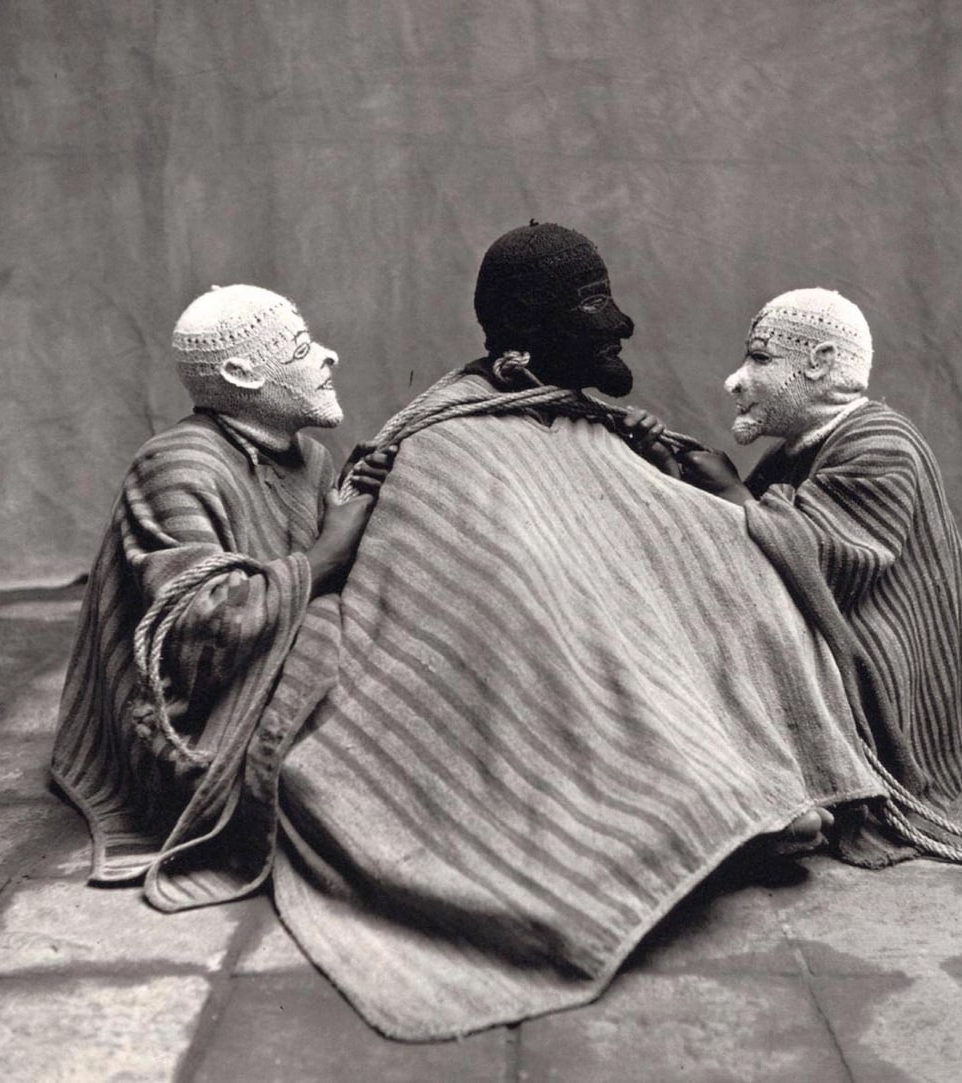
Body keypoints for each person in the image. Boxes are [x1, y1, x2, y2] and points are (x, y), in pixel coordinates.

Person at [263, 225, 891, 1040]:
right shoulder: (448, 440)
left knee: (715, 555)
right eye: (594, 303)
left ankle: (748, 785)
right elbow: (488, 588)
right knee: (557, 613)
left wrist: (720, 516)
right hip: (543, 688)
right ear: (528, 336)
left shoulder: (589, 421)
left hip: (641, 669)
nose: (621, 323)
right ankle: (694, 813)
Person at [51, 284, 395, 895]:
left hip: (271, 662)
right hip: (197, 715)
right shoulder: (175, 467)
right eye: (299, 345)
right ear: (240, 373)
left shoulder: (310, 458)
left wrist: (349, 501)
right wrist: (327, 553)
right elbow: (198, 630)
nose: (328, 355)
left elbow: (310, 567)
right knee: (340, 773)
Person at [678, 288, 962, 812]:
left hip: (888, 643)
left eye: (761, 358)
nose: (736, 379)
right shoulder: (799, 447)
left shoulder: (882, 442)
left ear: (821, 362)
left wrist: (729, 492)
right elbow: (764, 530)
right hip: (852, 616)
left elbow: (824, 563)